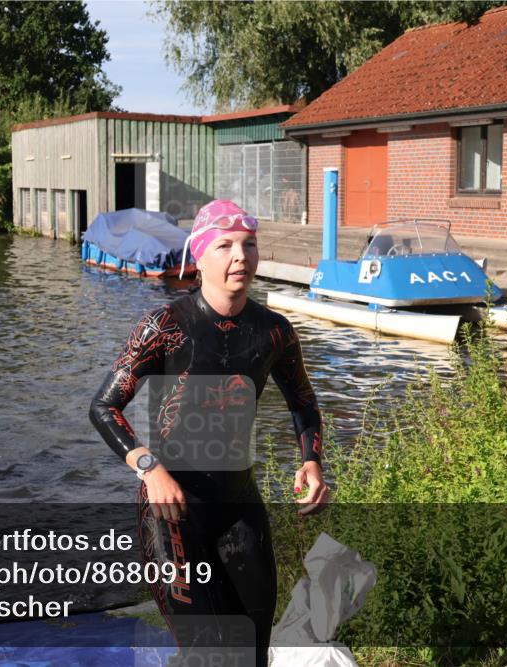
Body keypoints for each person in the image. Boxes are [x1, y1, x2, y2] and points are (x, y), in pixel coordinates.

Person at [90, 199, 328, 666]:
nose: (241, 256)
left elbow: (303, 402)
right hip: (173, 513)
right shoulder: (164, 327)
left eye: (249, 244)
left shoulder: (274, 332)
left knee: (252, 654)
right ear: (199, 257)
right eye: (225, 245)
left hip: (240, 508)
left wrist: (312, 461)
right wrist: (148, 467)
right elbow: (104, 407)